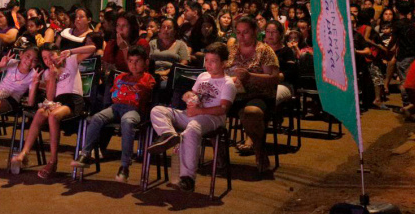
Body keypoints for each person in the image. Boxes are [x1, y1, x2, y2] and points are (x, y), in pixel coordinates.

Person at [147, 42, 237, 192]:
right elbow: (193, 94)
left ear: (224, 63)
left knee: (191, 129)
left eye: (213, 61)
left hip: (211, 118)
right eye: (206, 60)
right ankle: (168, 134)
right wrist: (188, 95)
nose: (208, 64)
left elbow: (223, 108)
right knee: (157, 110)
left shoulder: (227, 83)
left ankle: (187, 178)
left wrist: (199, 112)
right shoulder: (203, 76)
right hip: (193, 113)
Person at [9, 43, 96, 179]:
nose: (49, 60)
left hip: (74, 101)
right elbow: (50, 98)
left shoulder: (71, 61)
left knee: (53, 115)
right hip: (58, 102)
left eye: (51, 55)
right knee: (40, 112)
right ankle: (24, 153)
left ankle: (53, 160)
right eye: (44, 58)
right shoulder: (49, 72)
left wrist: (70, 51)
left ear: (58, 53)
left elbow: (92, 48)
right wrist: (52, 78)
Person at [72, 45, 155, 182]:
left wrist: (136, 87)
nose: (133, 65)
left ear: (145, 63)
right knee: (97, 117)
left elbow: (145, 94)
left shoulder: (148, 78)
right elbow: (114, 95)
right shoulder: (121, 76)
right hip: (116, 107)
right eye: (130, 61)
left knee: (127, 122)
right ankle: (85, 154)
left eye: (137, 61)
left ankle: (124, 165)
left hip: (133, 109)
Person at [226, 16, 279, 174]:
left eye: (246, 33)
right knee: (211, 108)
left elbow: (274, 78)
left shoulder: (264, 51)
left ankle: (259, 148)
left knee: (251, 112)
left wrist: (250, 76)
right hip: (235, 93)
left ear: (255, 32)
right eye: (239, 32)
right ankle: (219, 152)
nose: (241, 37)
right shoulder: (233, 50)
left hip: (259, 94)